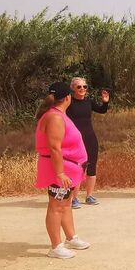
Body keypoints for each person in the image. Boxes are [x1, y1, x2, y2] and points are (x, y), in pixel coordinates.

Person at [34, 82, 91, 259]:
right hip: (59, 170)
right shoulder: (55, 118)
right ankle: (55, 246)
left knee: (65, 204)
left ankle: (70, 237)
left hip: (68, 168)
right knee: (56, 206)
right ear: (68, 98)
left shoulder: (58, 115)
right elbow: (54, 148)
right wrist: (60, 173)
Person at [65, 77, 110, 209]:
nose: (83, 89)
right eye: (79, 87)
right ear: (73, 88)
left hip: (90, 138)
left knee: (91, 167)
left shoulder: (88, 102)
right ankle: (74, 199)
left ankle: (89, 196)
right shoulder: (68, 103)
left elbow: (102, 110)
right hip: (75, 140)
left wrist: (105, 102)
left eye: (85, 87)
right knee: (77, 169)